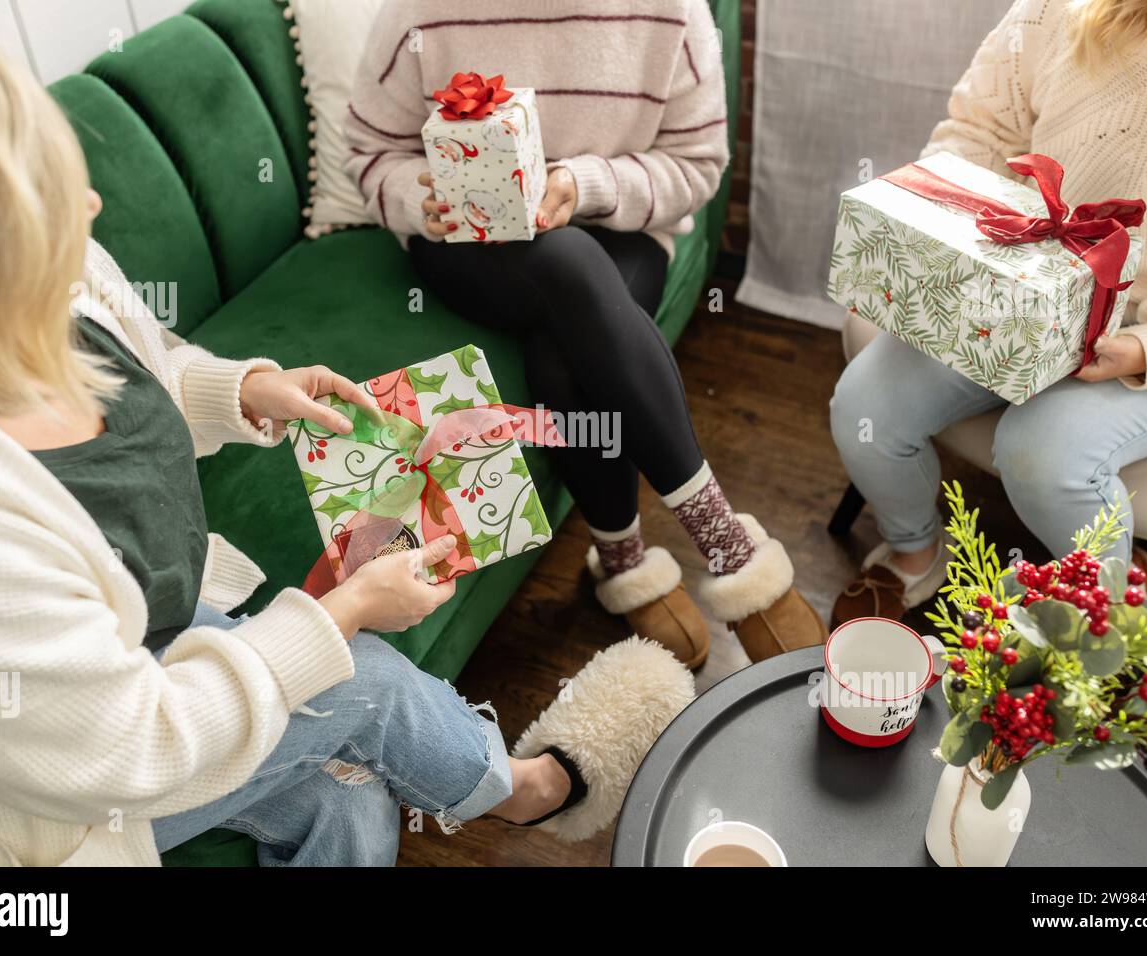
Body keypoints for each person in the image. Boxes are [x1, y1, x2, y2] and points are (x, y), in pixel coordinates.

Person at [0, 37, 691, 866]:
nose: (96, 205)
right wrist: (344, 613)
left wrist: (244, 390)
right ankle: (531, 793)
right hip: (65, 792)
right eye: (59, 191)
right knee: (368, 682)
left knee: (348, 802)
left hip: (161, 626)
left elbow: (140, 375)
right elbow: (129, 750)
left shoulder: (61, 281)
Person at [344, 0, 828, 665]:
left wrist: (584, 183)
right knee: (569, 265)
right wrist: (418, 196)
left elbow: (697, 167)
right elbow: (369, 153)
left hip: (618, 229)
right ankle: (727, 547)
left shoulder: (671, 13)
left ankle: (620, 560)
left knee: (567, 340)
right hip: (463, 243)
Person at [829, 0, 1147, 626]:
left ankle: (1101, 615)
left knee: (1042, 452)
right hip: (1030, 281)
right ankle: (916, 550)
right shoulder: (1057, 12)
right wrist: (966, 252)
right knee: (865, 407)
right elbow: (979, 133)